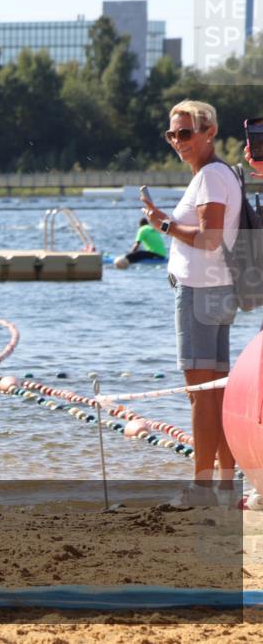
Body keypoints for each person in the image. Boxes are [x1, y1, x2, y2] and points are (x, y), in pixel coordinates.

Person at [140, 100, 242, 506]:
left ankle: (203, 489)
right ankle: (223, 484)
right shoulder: (219, 174)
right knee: (216, 392)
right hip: (217, 291)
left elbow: (209, 239)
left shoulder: (210, 178)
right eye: (172, 134)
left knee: (201, 393)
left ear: (210, 132)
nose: (177, 141)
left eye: (186, 132)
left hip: (201, 292)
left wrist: (163, 224)